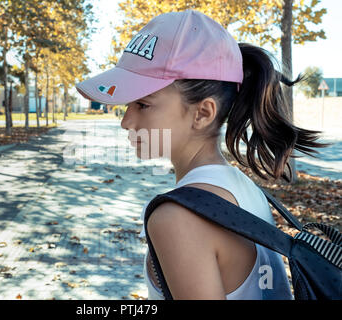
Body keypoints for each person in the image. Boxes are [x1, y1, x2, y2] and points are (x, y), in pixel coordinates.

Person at [75, 10, 328, 300]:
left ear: (202, 113)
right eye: (128, 104)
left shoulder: (179, 218)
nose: (126, 121)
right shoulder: (242, 188)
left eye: (143, 104)